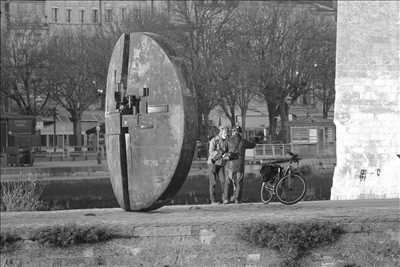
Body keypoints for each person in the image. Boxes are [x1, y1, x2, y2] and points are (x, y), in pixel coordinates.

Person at [225, 126, 255, 203]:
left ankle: (226, 199)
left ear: (233, 132)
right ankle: (237, 199)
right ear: (240, 132)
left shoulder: (228, 140)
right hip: (240, 166)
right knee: (239, 182)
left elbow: (223, 150)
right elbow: (252, 145)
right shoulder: (243, 141)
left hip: (230, 165)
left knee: (228, 182)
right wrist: (255, 140)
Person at [207, 126, 229, 204]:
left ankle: (224, 199)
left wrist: (226, 155)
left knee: (223, 181)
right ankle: (213, 200)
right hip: (212, 164)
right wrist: (219, 153)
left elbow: (226, 152)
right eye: (225, 132)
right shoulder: (214, 140)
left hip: (220, 164)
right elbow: (211, 152)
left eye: (227, 132)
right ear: (221, 132)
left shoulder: (226, 141)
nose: (226, 134)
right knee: (213, 183)